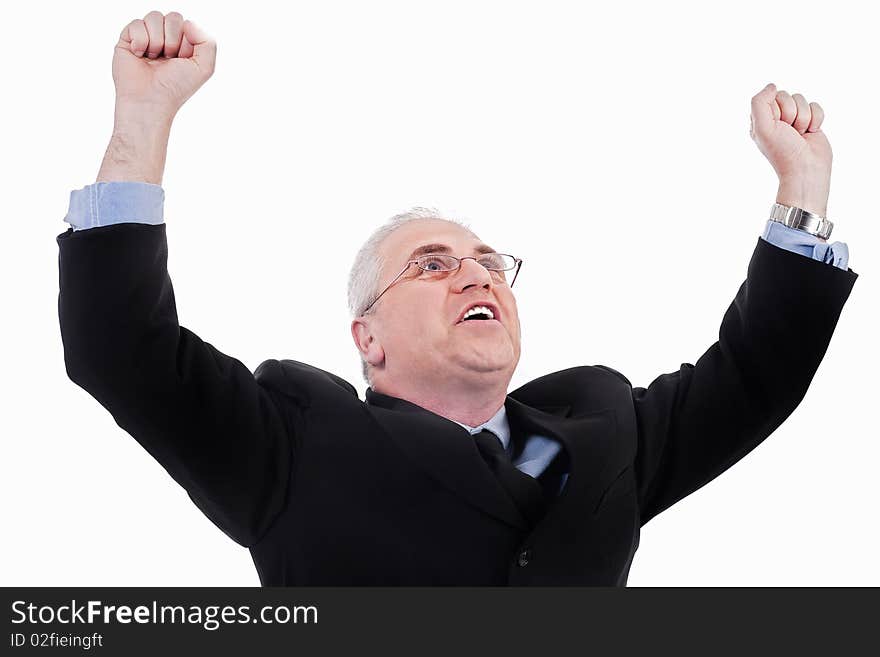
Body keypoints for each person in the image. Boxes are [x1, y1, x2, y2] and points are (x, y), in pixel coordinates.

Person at [58, 11, 857, 585]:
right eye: (433, 266)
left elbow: (761, 370)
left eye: (487, 263)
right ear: (366, 337)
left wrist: (804, 182)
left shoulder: (604, 432)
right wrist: (143, 117)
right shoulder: (293, 441)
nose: (477, 275)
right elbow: (120, 347)